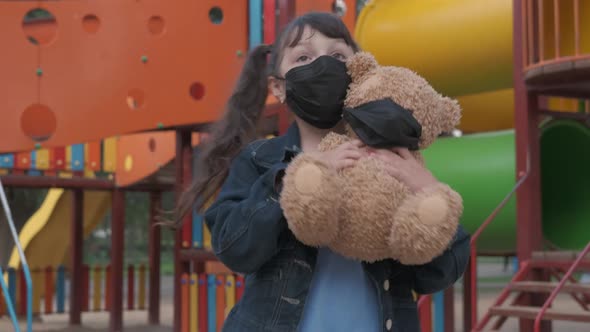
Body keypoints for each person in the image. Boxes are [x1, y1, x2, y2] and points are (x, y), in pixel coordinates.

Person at [177, 12, 470, 332]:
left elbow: (437, 274)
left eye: (337, 56)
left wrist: (429, 192)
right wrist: (291, 178)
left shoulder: (394, 160)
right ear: (279, 87)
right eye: (303, 57)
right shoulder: (260, 159)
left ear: (358, 70)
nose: (323, 65)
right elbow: (234, 249)